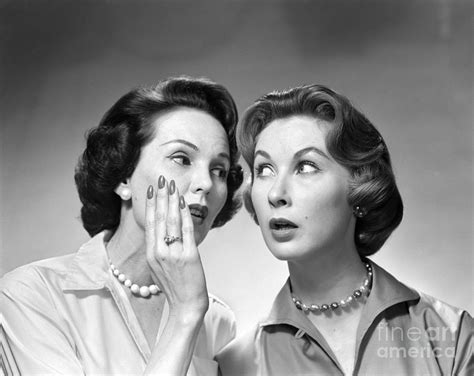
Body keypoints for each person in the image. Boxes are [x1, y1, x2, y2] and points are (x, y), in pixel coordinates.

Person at [217, 84, 473, 375]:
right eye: (264, 169)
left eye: (306, 166)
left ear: (359, 187)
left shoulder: (449, 338)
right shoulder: (236, 366)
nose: (276, 193)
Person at [0, 76, 243, 375]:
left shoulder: (217, 322)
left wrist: (192, 312)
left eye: (219, 169)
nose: (206, 183)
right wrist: (184, 316)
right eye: (181, 158)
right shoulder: (32, 294)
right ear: (123, 177)